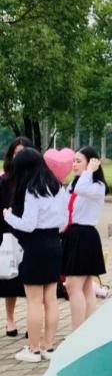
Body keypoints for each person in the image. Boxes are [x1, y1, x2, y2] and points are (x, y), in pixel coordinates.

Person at [3, 148, 66, 362]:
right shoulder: (58, 187)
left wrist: (8, 216)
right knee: (51, 299)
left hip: (36, 246)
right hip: (54, 243)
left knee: (34, 301)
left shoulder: (32, 190)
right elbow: (64, 221)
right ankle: (49, 346)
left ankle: (33, 349)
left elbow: (28, 225)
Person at [62, 147, 107, 330]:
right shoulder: (75, 183)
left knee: (73, 286)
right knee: (86, 286)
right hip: (72, 234)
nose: (74, 164)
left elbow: (81, 189)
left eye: (79, 161)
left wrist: (89, 171)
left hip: (85, 235)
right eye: (73, 160)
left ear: (91, 163)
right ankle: (86, 331)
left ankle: (77, 332)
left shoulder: (97, 186)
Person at [0, 137, 33, 336]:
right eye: (16, 153)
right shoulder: (4, 181)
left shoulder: (35, 181)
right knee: (9, 281)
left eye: (23, 152)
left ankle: (32, 322)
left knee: (31, 282)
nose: (19, 157)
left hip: (30, 236)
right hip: (8, 234)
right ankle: (10, 320)